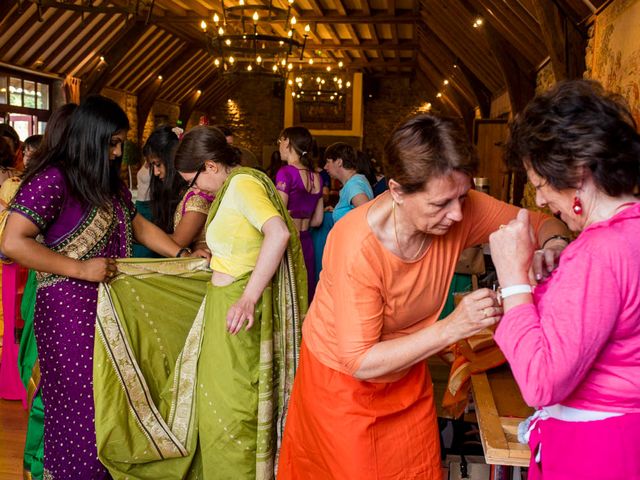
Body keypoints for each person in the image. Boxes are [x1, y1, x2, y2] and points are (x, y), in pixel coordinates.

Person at [277, 113, 570, 479]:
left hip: (406, 374)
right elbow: (361, 361)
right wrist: (453, 327)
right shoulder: (357, 246)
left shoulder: (456, 207)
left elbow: (542, 222)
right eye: (441, 204)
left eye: (462, 197)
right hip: (343, 388)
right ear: (398, 190)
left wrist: (554, 244)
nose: (458, 214)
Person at [1, 95, 204, 479]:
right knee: (82, 409)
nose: (116, 153)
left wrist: (179, 253)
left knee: (113, 402)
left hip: (110, 304)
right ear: (90, 138)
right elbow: (13, 242)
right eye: (111, 143)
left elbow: (137, 224)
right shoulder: (53, 179)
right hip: (67, 310)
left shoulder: (105, 181)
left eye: (119, 144)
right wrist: (80, 269)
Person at [489, 80, 640, 480]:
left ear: (577, 171)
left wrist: (513, 281)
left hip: (595, 452)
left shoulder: (599, 252)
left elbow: (542, 383)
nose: (539, 201)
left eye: (540, 185)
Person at [172, 125, 307, 478]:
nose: (194, 188)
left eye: (193, 180)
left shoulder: (244, 184)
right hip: (223, 303)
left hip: (238, 310)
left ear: (211, 166)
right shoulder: (234, 186)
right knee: (218, 401)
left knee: (234, 407)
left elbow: (276, 233)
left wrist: (248, 298)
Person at [15, 104, 76, 480]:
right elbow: (14, 241)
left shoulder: (86, 178)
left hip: (78, 297)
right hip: (51, 290)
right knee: (46, 383)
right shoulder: (46, 181)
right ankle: (37, 465)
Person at [146, 125, 212, 251]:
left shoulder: (197, 197)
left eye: (158, 164)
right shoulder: (178, 192)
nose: (155, 172)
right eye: (152, 166)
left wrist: (139, 233)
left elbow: (178, 242)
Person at [275, 126, 323, 299]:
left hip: (289, 242)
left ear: (287, 141)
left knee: (287, 295)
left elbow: (277, 213)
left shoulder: (286, 173)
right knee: (304, 293)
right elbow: (317, 220)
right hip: (307, 241)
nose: (279, 146)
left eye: (280, 141)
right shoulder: (316, 177)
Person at [324, 142, 374, 223]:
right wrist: (338, 212)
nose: (325, 167)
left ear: (339, 162)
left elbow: (367, 216)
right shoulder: (357, 180)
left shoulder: (353, 185)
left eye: (328, 162)